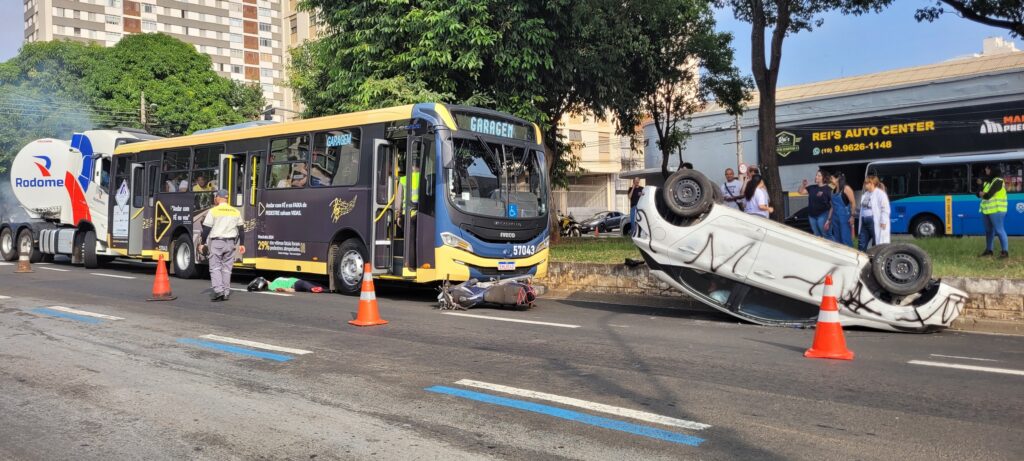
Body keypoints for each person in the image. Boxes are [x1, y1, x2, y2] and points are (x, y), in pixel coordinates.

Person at [199, 190, 246, 302]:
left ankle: (219, 291)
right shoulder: (235, 211)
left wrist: (202, 243)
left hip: (217, 243)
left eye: (215, 197)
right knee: (227, 269)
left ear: (218, 198)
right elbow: (241, 230)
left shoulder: (213, 211)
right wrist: (242, 244)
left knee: (215, 267)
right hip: (231, 243)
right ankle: (226, 292)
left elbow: (206, 229)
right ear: (227, 198)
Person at [977, 165, 1009, 258]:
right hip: (986, 210)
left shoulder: (998, 181)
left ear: (992, 170)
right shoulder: (987, 181)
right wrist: (981, 193)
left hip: (997, 210)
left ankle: (1005, 252)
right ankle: (989, 250)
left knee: (999, 230)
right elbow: (977, 193)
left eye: (987, 169)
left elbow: (988, 195)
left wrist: (982, 194)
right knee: (988, 231)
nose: (986, 170)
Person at [858, 176, 890, 250]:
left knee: (876, 243)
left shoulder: (880, 194)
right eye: (865, 183)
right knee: (862, 242)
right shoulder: (866, 194)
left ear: (872, 183)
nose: (864, 184)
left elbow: (885, 209)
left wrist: (883, 221)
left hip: (874, 221)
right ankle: (862, 259)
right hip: (864, 221)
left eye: (866, 183)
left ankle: (876, 259)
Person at [798, 169, 832, 238]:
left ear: (824, 178)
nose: (816, 177)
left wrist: (829, 219)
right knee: (817, 235)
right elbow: (800, 192)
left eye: (819, 175)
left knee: (825, 234)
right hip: (811, 216)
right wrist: (803, 185)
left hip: (823, 215)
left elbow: (832, 205)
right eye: (816, 175)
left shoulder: (828, 189)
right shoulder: (812, 188)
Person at [826, 172, 856, 247]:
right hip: (835, 218)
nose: (830, 180)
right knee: (838, 240)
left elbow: (853, 203)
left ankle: (850, 256)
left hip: (845, 217)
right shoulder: (832, 191)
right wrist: (828, 220)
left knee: (845, 239)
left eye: (832, 178)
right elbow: (832, 207)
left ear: (838, 178)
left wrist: (852, 216)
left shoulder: (846, 188)